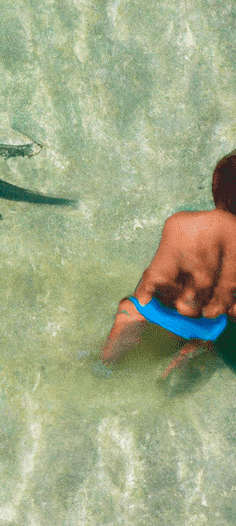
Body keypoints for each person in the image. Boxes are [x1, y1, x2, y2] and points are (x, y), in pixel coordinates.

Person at [102, 149, 236, 377]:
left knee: (130, 306)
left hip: (154, 312)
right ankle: (196, 349)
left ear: (216, 190)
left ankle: (107, 362)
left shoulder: (180, 222)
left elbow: (151, 279)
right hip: (206, 327)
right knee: (223, 323)